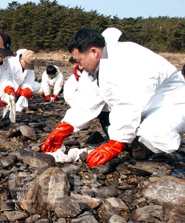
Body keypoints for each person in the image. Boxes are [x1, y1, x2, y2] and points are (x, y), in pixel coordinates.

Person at [41, 27, 185, 167]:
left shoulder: (127, 58)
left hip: (172, 104)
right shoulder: (96, 67)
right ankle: (136, 142)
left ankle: (158, 153)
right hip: (147, 106)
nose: (80, 66)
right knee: (124, 129)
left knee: (154, 135)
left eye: (79, 61)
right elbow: (89, 100)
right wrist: (65, 126)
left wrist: (116, 143)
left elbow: (129, 102)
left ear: (93, 52)